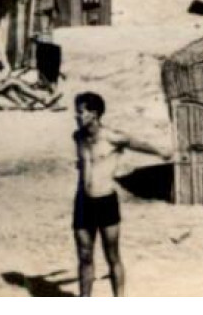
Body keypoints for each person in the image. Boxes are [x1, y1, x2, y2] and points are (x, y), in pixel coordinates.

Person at [71, 91, 166, 297]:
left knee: (112, 255)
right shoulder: (77, 137)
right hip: (82, 202)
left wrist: (162, 152)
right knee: (84, 255)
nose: (76, 117)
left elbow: (138, 144)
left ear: (94, 114)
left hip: (105, 201)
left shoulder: (112, 137)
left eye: (80, 112)